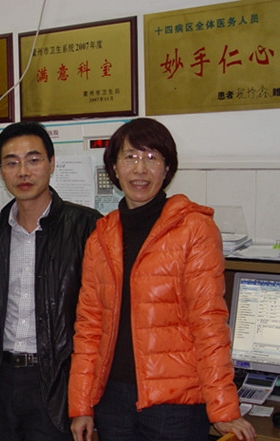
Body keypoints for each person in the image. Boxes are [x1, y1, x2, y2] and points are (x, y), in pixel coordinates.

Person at [68, 118, 257, 441]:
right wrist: (81, 404)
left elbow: (209, 323)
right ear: (114, 168)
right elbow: (89, 327)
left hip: (176, 405)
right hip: (113, 401)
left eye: (152, 157)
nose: (140, 169)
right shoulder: (100, 237)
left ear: (167, 168)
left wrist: (224, 410)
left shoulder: (194, 228)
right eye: (130, 157)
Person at [0, 121, 102, 441]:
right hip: (0, 380)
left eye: (33, 160)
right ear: (0, 170)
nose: (23, 172)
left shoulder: (86, 226)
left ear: (52, 163)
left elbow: (100, 316)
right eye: (11, 162)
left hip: (57, 382)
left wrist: (84, 397)